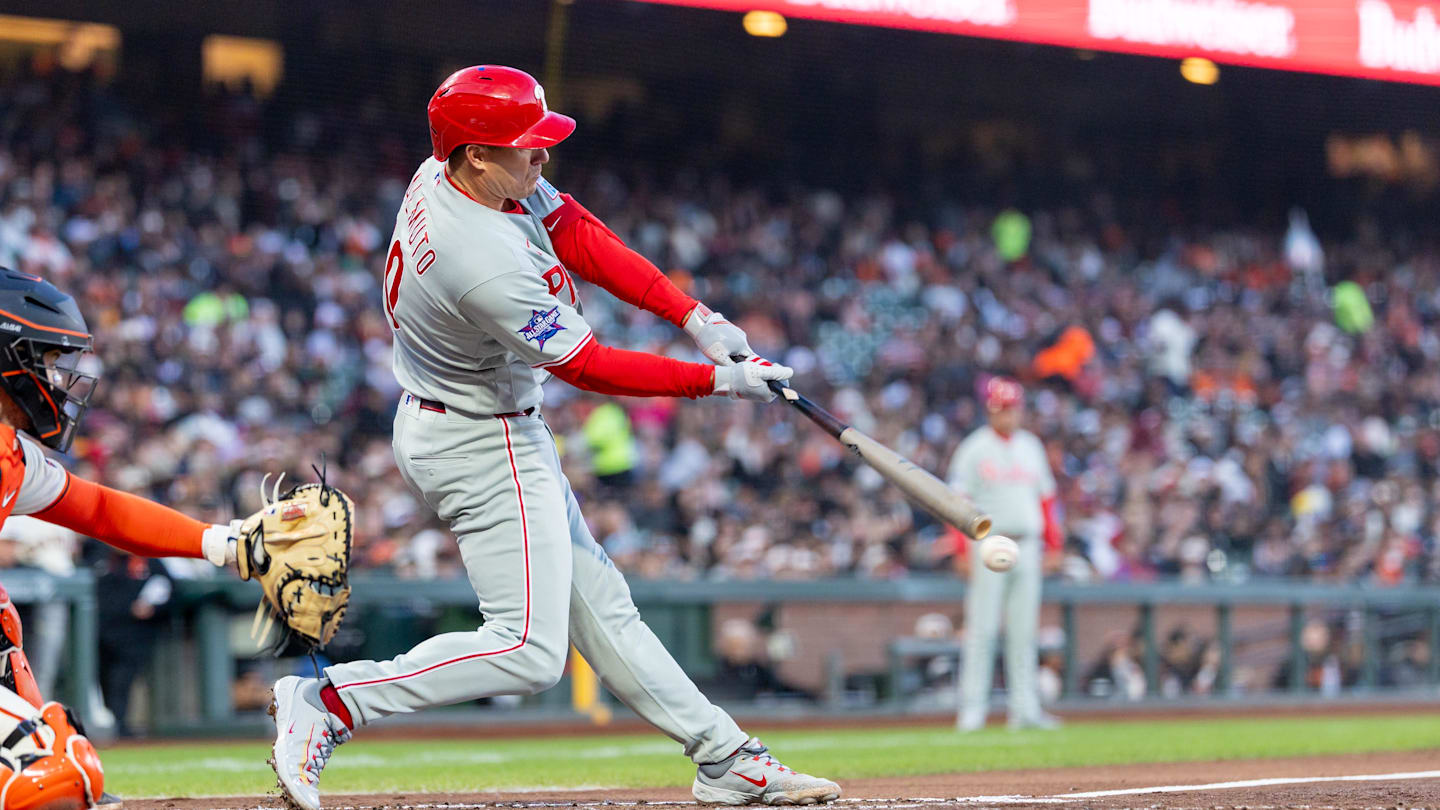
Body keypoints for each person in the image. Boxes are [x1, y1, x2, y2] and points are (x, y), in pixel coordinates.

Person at [267, 65, 841, 810]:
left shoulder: (459, 171)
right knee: (526, 650)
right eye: (526, 145)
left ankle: (723, 755)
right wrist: (718, 383)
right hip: (480, 437)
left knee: (604, 610)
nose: (543, 157)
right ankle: (332, 699)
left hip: (468, 418)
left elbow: (573, 229)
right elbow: (589, 366)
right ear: (475, 153)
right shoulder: (480, 256)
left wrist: (692, 316)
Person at [0, 268, 243, 808]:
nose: (57, 380)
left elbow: (101, 510)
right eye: (45, 359)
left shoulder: (10, 453)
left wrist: (226, 542)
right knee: (46, 779)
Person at [947, 375, 1063, 731]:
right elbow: (955, 501)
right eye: (1000, 409)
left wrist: (1054, 543)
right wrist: (959, 548)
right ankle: (973, 710)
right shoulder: (974, 447)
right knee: (982, 628)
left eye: (1011, 409)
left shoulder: (1031, 446)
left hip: (1027, 543)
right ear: (989, 410)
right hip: (987, 541)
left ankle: (1025, 709)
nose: (1006, 415)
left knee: (1024, 631)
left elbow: (1046, 499)